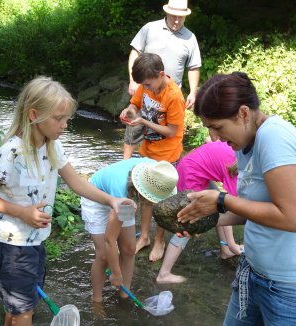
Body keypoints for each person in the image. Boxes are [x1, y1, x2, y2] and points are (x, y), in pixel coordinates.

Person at [0, 76, 127, 326]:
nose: (64, 125)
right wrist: (21, 212)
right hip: (12, 244)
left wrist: (112, 200)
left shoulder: (52, 145)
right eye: (58, 118)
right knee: (24, 312)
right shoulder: (12, 152)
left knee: (18, 307)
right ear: (34, 114)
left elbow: (77, 182)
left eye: (66, 118)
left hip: (34, 242)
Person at [177, 72, 296, 325]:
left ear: (244, 114)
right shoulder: (245, 142)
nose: (214, 137)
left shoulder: (274, 138)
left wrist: (222, 199)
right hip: (254, 272)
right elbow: (255, 211)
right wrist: (205, 217)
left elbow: (295, 219)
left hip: (292, 287)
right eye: (209, 129)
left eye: (217, 127)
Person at [81, 159, 178, 302]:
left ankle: (124, 295)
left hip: (123, 200)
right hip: (96, 198)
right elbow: (110, 240)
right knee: (103, 256)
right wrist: (115, 273)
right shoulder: (122, 192)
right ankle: (96, 301)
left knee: (129, 249)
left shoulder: (161, 173)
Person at [120, 53, 186, 261]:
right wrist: (130, 110)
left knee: (163, 201)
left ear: (161, 74)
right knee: (145, 197)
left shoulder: (174, 96)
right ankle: (145, 237)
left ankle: (160, 239)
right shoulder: (146, 85)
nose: (146, 88)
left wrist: (144, 123)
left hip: (168, 156)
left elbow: (171, 131)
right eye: (143, 85)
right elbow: (136, 104)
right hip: (147, 151)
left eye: (148, 84)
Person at [157, 140, 244, 284]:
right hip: (191, 175)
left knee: (218, 204)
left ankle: (226, 250)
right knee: (189, 222)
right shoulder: (238, 170)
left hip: (195, 168)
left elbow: (209, 141)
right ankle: (163, 275)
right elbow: (230, 209)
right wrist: (233, 244)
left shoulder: (238, 146)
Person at [124, 0, 201, 160]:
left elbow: (193, 67)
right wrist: (134, 81)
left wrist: (193, 92)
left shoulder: (190, 38)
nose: (176, 21)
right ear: (166, 12)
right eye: (173, 16)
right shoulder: (150, 28)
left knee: (163, 135)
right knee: (134, 128)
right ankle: (124, 164)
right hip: (146, 90)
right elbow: (135, 52)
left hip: (168, 96)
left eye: (181, 17)